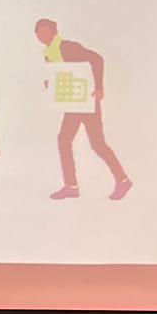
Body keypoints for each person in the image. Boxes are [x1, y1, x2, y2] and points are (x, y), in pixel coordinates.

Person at [34, 18, 132, 201]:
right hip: (72, 104)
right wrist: (51, 83)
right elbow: (63, 74)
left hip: (87, 102)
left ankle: (123, 180)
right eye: (39, 33)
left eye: (45, 31)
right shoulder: (48, 53)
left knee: (97, 144)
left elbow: (97, 59)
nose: (42, 36)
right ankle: (71, 186)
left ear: (54, 32)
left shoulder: (68, 47)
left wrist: (100, 86)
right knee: (64, 140)